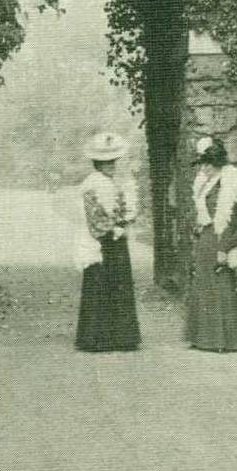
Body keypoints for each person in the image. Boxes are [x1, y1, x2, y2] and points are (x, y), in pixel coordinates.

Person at [74, 132, 141, 353]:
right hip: (102, 243)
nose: (111, 166)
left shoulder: (109, 182)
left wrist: (124, 220)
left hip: (115, 242)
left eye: (113, 162)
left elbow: (121, 208)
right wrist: (115, 228)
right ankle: (97, 338)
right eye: (105, 163)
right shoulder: (92, 184)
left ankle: (122, 337)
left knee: (118, 284)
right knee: (101, 285)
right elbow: (95, 219)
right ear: (97, 164)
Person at [186, 135, 237, 352]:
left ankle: (224, 340)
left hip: (218, 239)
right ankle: (203, 338)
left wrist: (225, 247)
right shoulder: (207, 182)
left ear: (217, 163)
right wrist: (197, 227)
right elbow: (202, 212)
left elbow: (230, 218)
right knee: (204, 286)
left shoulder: (228, 181)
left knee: (220, 286)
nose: (204, 168)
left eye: (207, 164)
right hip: (205, 238)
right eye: (202, 164)